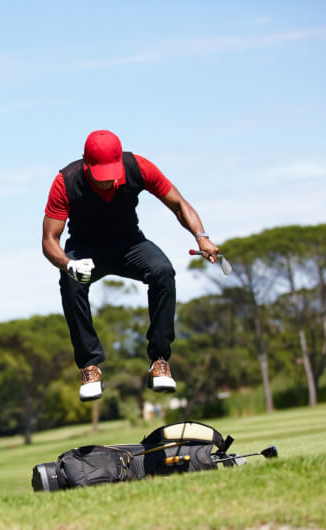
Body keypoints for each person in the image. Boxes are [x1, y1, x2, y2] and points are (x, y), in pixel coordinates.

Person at [42, 130, 219, 401]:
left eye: (111, 175)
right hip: (85, 248)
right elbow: (49, 240)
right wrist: (68, 265)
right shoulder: (65, 181)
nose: (107, 183)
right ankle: (90, 367)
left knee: (162, 271)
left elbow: (179, 204)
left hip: (129, 244)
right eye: (100, 176)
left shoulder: (138, 167)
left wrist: (201, 236)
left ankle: (159, 361)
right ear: (86, 164)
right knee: (70, 283)